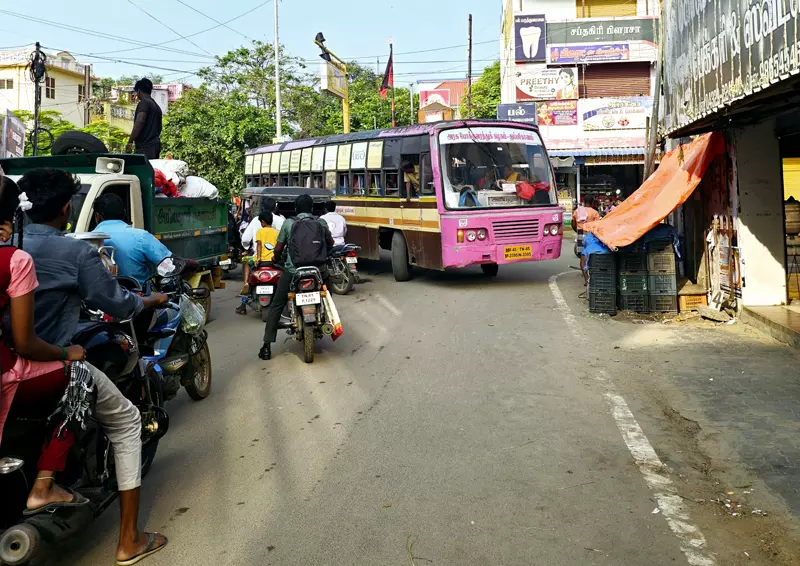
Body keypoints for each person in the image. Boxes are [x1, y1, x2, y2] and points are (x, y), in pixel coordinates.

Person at [0, 176, 168, 565]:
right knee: (126, 421)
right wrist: (148, 300)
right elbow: (116, 303)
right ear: (65, 210)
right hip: (36, 365)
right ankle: (130, 540)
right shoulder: (70, 253)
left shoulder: (13, 247)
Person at [18, 169, 169, 346]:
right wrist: (152, 299)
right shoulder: (78, 251)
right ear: (66, 208)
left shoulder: (8, 245)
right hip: (55, 350)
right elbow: (117, 302)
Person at [258, 194, 333, 361]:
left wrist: (276, 259)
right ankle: (328, 318)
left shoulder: (289, 223)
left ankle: (266, 347)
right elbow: (331, 243)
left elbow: (278, 249)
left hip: (293, 271)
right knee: (327, 295)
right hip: (318, 270)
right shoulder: (321, 222)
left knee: (277, 305)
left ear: (296, 209)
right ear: (312, 208)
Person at [91, 193, 173, 288]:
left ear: (97, 216)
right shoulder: (141, 236)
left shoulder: (87, 240)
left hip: (97, 299)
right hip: (140, 299)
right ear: (124, 213)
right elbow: (170, 264)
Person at [235, 212, 279, 315]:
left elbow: (259, 245)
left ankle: (246, 284)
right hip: (273, 261)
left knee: (246, 262)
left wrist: (258, 258)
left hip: (261, 261)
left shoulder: (260, 231)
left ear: (263, 222)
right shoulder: (277, 232)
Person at [125, 78, 163, 160]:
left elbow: (140, 121)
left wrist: (130, 141)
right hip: (155, 146)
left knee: (142, 170)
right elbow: (159, 128)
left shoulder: (144, 103)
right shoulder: (156, 106)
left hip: (145, 147)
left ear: (139, 91)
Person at [574, 197, 601, 284]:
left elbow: (573, 222)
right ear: (592, 202)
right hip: (591, 235)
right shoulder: (595, 212)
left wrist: (577, 230)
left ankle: (586, 279)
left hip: (580, 234)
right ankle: (592, 275)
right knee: (591, 254)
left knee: (582, 256)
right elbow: (597, 226)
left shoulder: (578, 210)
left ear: (583, 202)